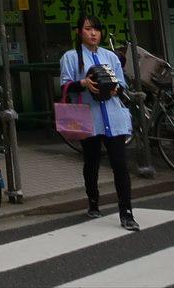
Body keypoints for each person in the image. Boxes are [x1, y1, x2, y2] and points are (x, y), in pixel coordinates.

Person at [59, 15, 138, 232]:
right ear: (79, 32)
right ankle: (93, 201)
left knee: (120, 165)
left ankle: (126, 212)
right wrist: (83, 83)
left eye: (96, 29)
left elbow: (122, 85)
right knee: (91, 162)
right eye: (88, 29)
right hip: (88, 119)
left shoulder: (110, 56)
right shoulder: (71, 57)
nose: (93, 33)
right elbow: (65, 86)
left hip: (113, 116)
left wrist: (116, 89)